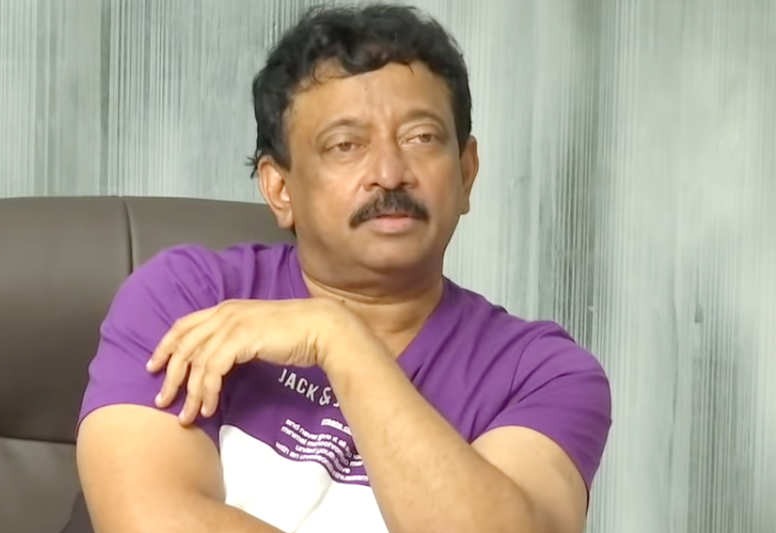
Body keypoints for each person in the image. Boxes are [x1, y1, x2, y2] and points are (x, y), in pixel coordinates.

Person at [75, 4, 611, 533]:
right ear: (280, 189)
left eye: (421, 138)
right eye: (345, 145)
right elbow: (151, 519)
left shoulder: (539, 373)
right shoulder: (189, 298)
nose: (390, 173)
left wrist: (338, 338)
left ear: (466, 173)